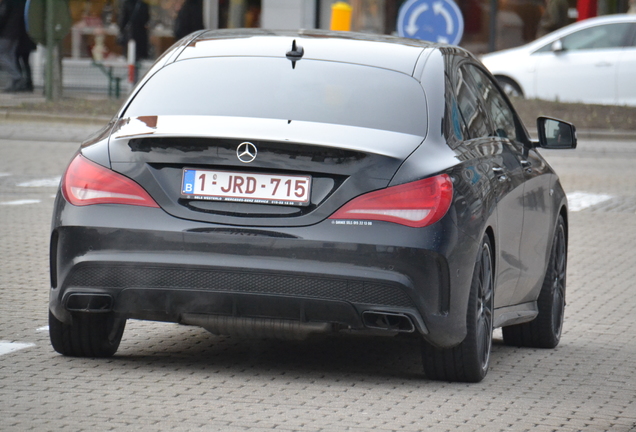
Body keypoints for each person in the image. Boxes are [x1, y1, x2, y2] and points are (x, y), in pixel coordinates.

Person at [0, 0, 29, 92]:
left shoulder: (8, 2)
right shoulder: (21, 2)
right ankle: (14, 83)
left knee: (2, 55)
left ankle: (17, 77)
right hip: (16, 33)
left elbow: (2, 16)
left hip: (7, 33)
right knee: (10, 56)